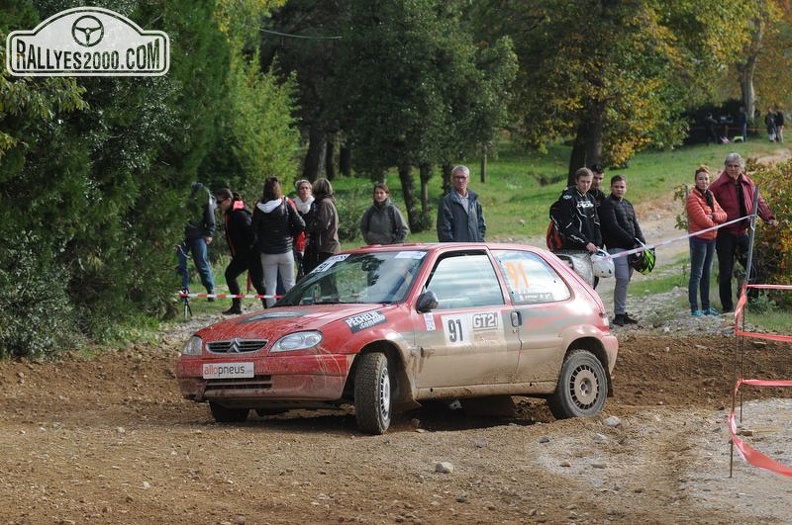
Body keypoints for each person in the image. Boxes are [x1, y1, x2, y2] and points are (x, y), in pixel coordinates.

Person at [709, 153, 778, 313]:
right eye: (730, 166)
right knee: (726, 272)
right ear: (725, 167)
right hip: (725, 234)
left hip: (743, 232)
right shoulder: (717, 186)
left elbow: (758, 202)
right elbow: (708, 206)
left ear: (741, 167)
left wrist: (769, 217)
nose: (733, 169)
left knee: (752, 268)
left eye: (736, 166)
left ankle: (752, 304)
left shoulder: (748, 182)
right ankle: (727, 308)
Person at [599, 175, 645, 326]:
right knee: (623, 278)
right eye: (617, 186)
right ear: (611, 187)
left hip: (631, 248)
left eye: (622, 187)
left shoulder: (627, 204)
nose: (619, 189)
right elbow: (613, 227)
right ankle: (618, 315)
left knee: (626, 280)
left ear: (626, 188)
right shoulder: (607, 205)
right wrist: (632, 241)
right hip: (616, 247)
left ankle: (621, 312)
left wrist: (641, 242)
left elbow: (635, 224)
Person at [252, 177, 305, 307]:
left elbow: (253, 229)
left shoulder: (258, 207)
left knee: (270, 285)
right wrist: (290, 235)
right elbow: (301, 225)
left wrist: (262, 240)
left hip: (267, 252)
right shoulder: (286, 203)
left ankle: (271, 312)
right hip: (285, 250)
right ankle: (293, 309)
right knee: (290, 283)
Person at [215, 188, 267, 314]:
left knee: (258, 283)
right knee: (230, 275)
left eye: (219, 202)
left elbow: (252, 234)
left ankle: (269, 308)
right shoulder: (230, 213)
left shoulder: (240, 214)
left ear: (228, 200)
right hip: (241, 255)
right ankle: (236, 306)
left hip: (252, 254)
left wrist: (246, 249)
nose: (218, 205)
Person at [685, 166, 727, 317]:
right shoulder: (692, 198)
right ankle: (695, 308)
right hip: (699, 241)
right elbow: (702, 221)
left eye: (706, 179)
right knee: (697, 274)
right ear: (695, 181)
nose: (704, 181)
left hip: (712, 240)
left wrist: (714, 217)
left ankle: (706, 307)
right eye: (701, 179)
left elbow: (724, 214)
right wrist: (716, 221)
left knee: (707, 274)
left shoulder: (710, 195)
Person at [177, 182, 216, 300]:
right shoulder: (179, 192)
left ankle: (210, 289)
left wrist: (209, 232)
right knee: (180, 264)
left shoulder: (203, 193)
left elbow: (210, 213)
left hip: (198, 235)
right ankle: (184, 292)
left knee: (201, 263)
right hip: (180, 235)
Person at [549, 167, 602, 254]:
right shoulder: (568, 198)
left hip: (590, 248)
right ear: (576, 181)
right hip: (572, 247)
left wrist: (598, 243)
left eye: (588, 182)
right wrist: (585, 242)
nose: (585, 185)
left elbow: (596, 223)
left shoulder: (591, 198)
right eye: (583, 181)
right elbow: (567, 226)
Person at [437, 165, 486, 242]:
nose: (460, 180)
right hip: (456, 251)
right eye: (457, 177)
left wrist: (479, 243)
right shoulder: (447, 202)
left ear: (468, 179)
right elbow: (444, 231)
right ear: (452, 179)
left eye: (463, 177)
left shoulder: (474, 202)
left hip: (475, 250)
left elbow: (481, 226)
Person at [303, 178, 340, 275]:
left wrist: (310, 228)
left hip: (327, 247)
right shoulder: (323, 203)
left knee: (328, 280)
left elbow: (322, 224)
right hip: (325, 247)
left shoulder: (325, 203)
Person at [292, 179, 314, 280]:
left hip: (310, 240)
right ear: (298, 190)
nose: (304, 190)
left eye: (307, 188)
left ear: (310, 190)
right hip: (296, 240)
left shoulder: (314, 204)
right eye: (302, 188)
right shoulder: (292, 204)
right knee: (299, 266)